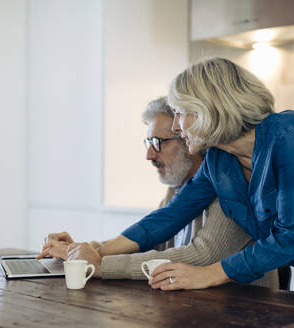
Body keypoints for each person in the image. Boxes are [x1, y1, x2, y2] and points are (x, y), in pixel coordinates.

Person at [72, 58, 294, 327]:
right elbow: (167, 218)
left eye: (181, 113)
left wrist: (207, 274)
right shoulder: (219, 161)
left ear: (211, 107)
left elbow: (289, 239)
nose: (176, 126)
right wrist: (94, 250)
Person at [39, 96, 277, 287]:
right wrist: (80, 251)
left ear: (191, 138)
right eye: (148, 143)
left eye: (158, 143)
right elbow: (152, 244)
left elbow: (203, 256)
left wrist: (101, 264)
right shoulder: (176, 190)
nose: (149, 155)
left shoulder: (230, 186)